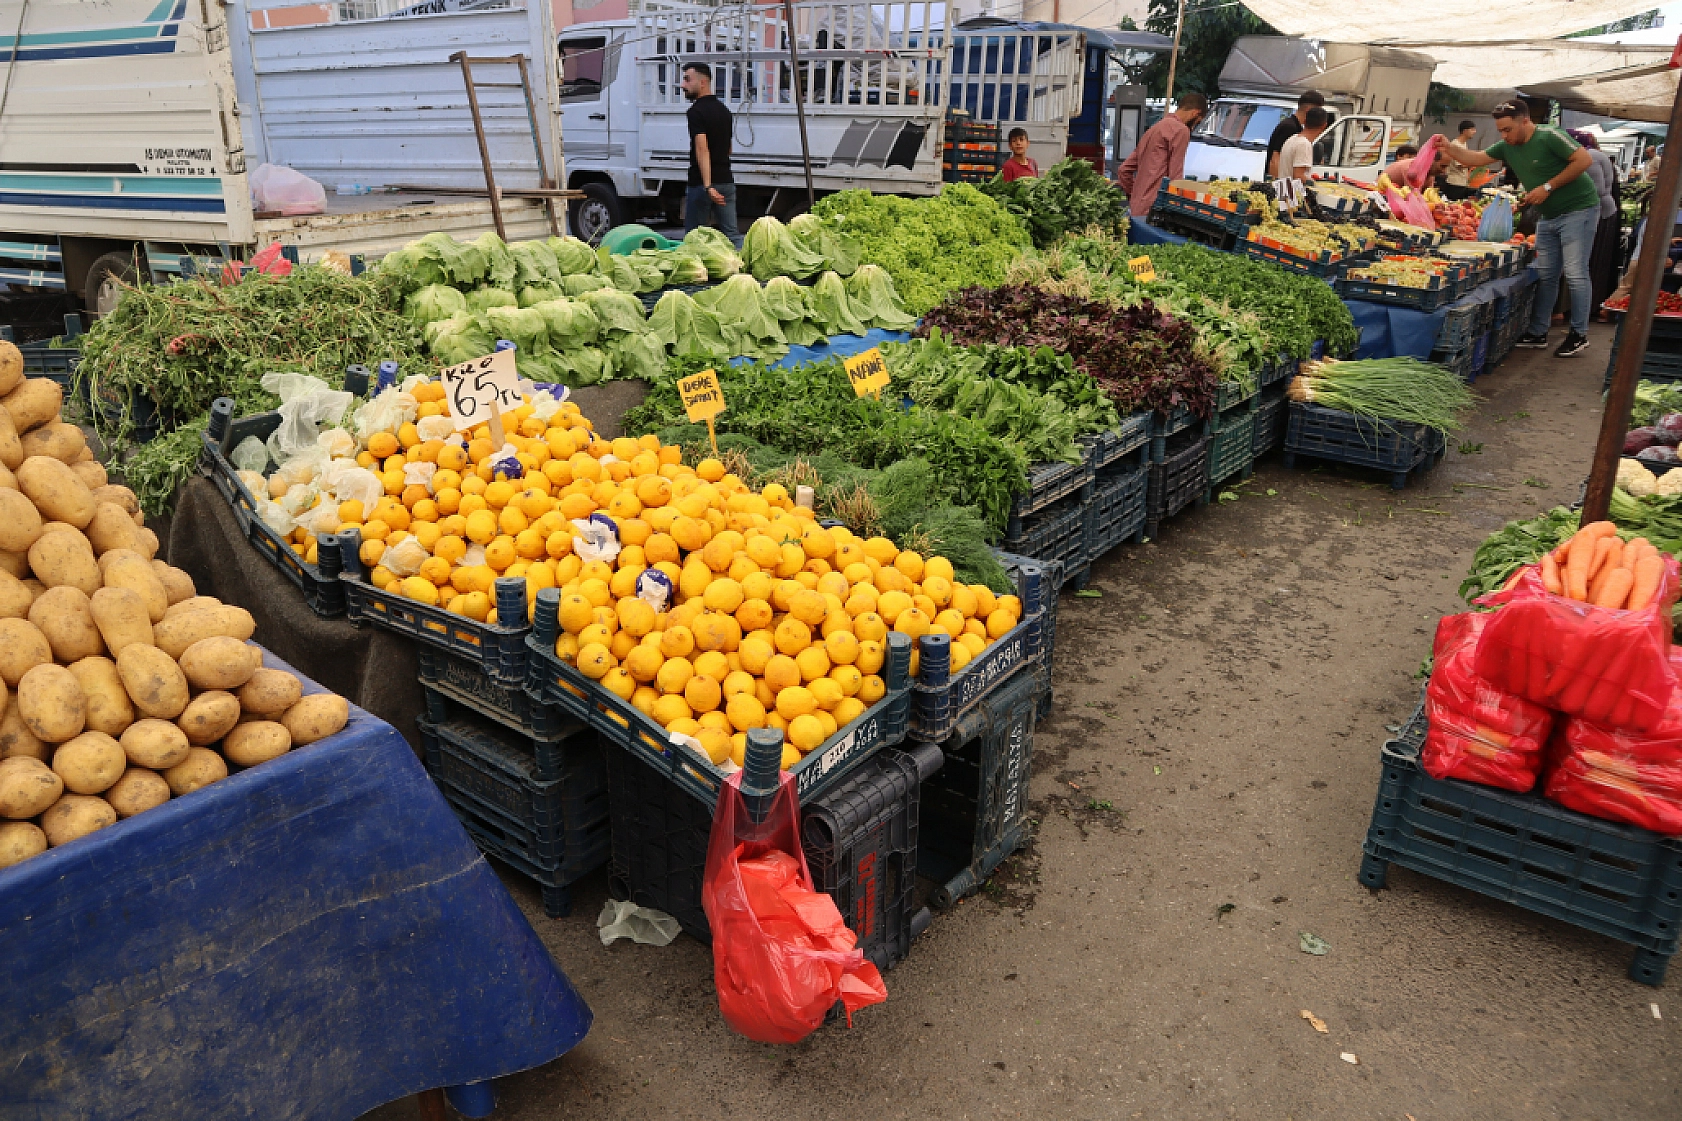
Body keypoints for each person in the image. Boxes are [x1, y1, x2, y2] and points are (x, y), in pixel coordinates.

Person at [1448, 99, 1597, 357]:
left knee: (1575, 273)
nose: (1504, 136)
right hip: (1548, 215)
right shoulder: (1507, 146)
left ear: (1525, 121)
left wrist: (1547, 187)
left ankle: (1579, 334)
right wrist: (1446, 146)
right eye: (1500, 131)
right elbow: (1476, 157)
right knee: (1546, 274)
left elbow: (1584, 160)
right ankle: (1538, 332)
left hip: (1578, 210)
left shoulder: (1549, 135)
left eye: (1507, 129)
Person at [1114, 92, 1207, 219]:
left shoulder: (1154, 128)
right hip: (1156, 209)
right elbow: (1175, 176)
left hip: (1137, 208)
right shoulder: (1181, 130)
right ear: (1196, 113)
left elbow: (1123, 170)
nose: (1194, 126)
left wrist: (1135, 195)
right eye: (1197, 122)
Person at [680, 62, 739, 246]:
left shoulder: (695, 112)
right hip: (726, 181)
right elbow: (728, 148)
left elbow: (702, 149)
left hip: (702, 184)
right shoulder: (725, 111)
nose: (682, 85)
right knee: (732, 236)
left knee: (694, 237)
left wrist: (708, 186)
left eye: (687, 80)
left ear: (703, 82)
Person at [1570, 129, 1622, 320]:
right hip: (1600, 212)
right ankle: (1591, 307)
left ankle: (1590, 308)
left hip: (1600, 214)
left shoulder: (1589, 157)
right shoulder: (1594, 154)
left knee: (1593, 263)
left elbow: (1597, 189)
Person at [1265, 90, 1325, 179]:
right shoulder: (1290, 127)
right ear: (1308, 110)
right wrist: (1276, 182)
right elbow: (1275, 158)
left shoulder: (1296, 127)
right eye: (1317, 110)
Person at [1276, 107, 1329, 183]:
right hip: (1293, 190)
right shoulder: (1304, 144)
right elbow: (1299, 176)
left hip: (1283, 188)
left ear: (1304, 121)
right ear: (1324, 126)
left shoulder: (1292, 138)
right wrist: (1315, 184)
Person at [1443, 122, 1478, 187]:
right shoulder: (1455, 145)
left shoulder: (1464, 143)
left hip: (1462, 181)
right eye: (1472, 129)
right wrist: (1476, 163)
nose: (1474, 132)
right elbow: (1461, 165)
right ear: (1465, 131)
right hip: (1455, 182)